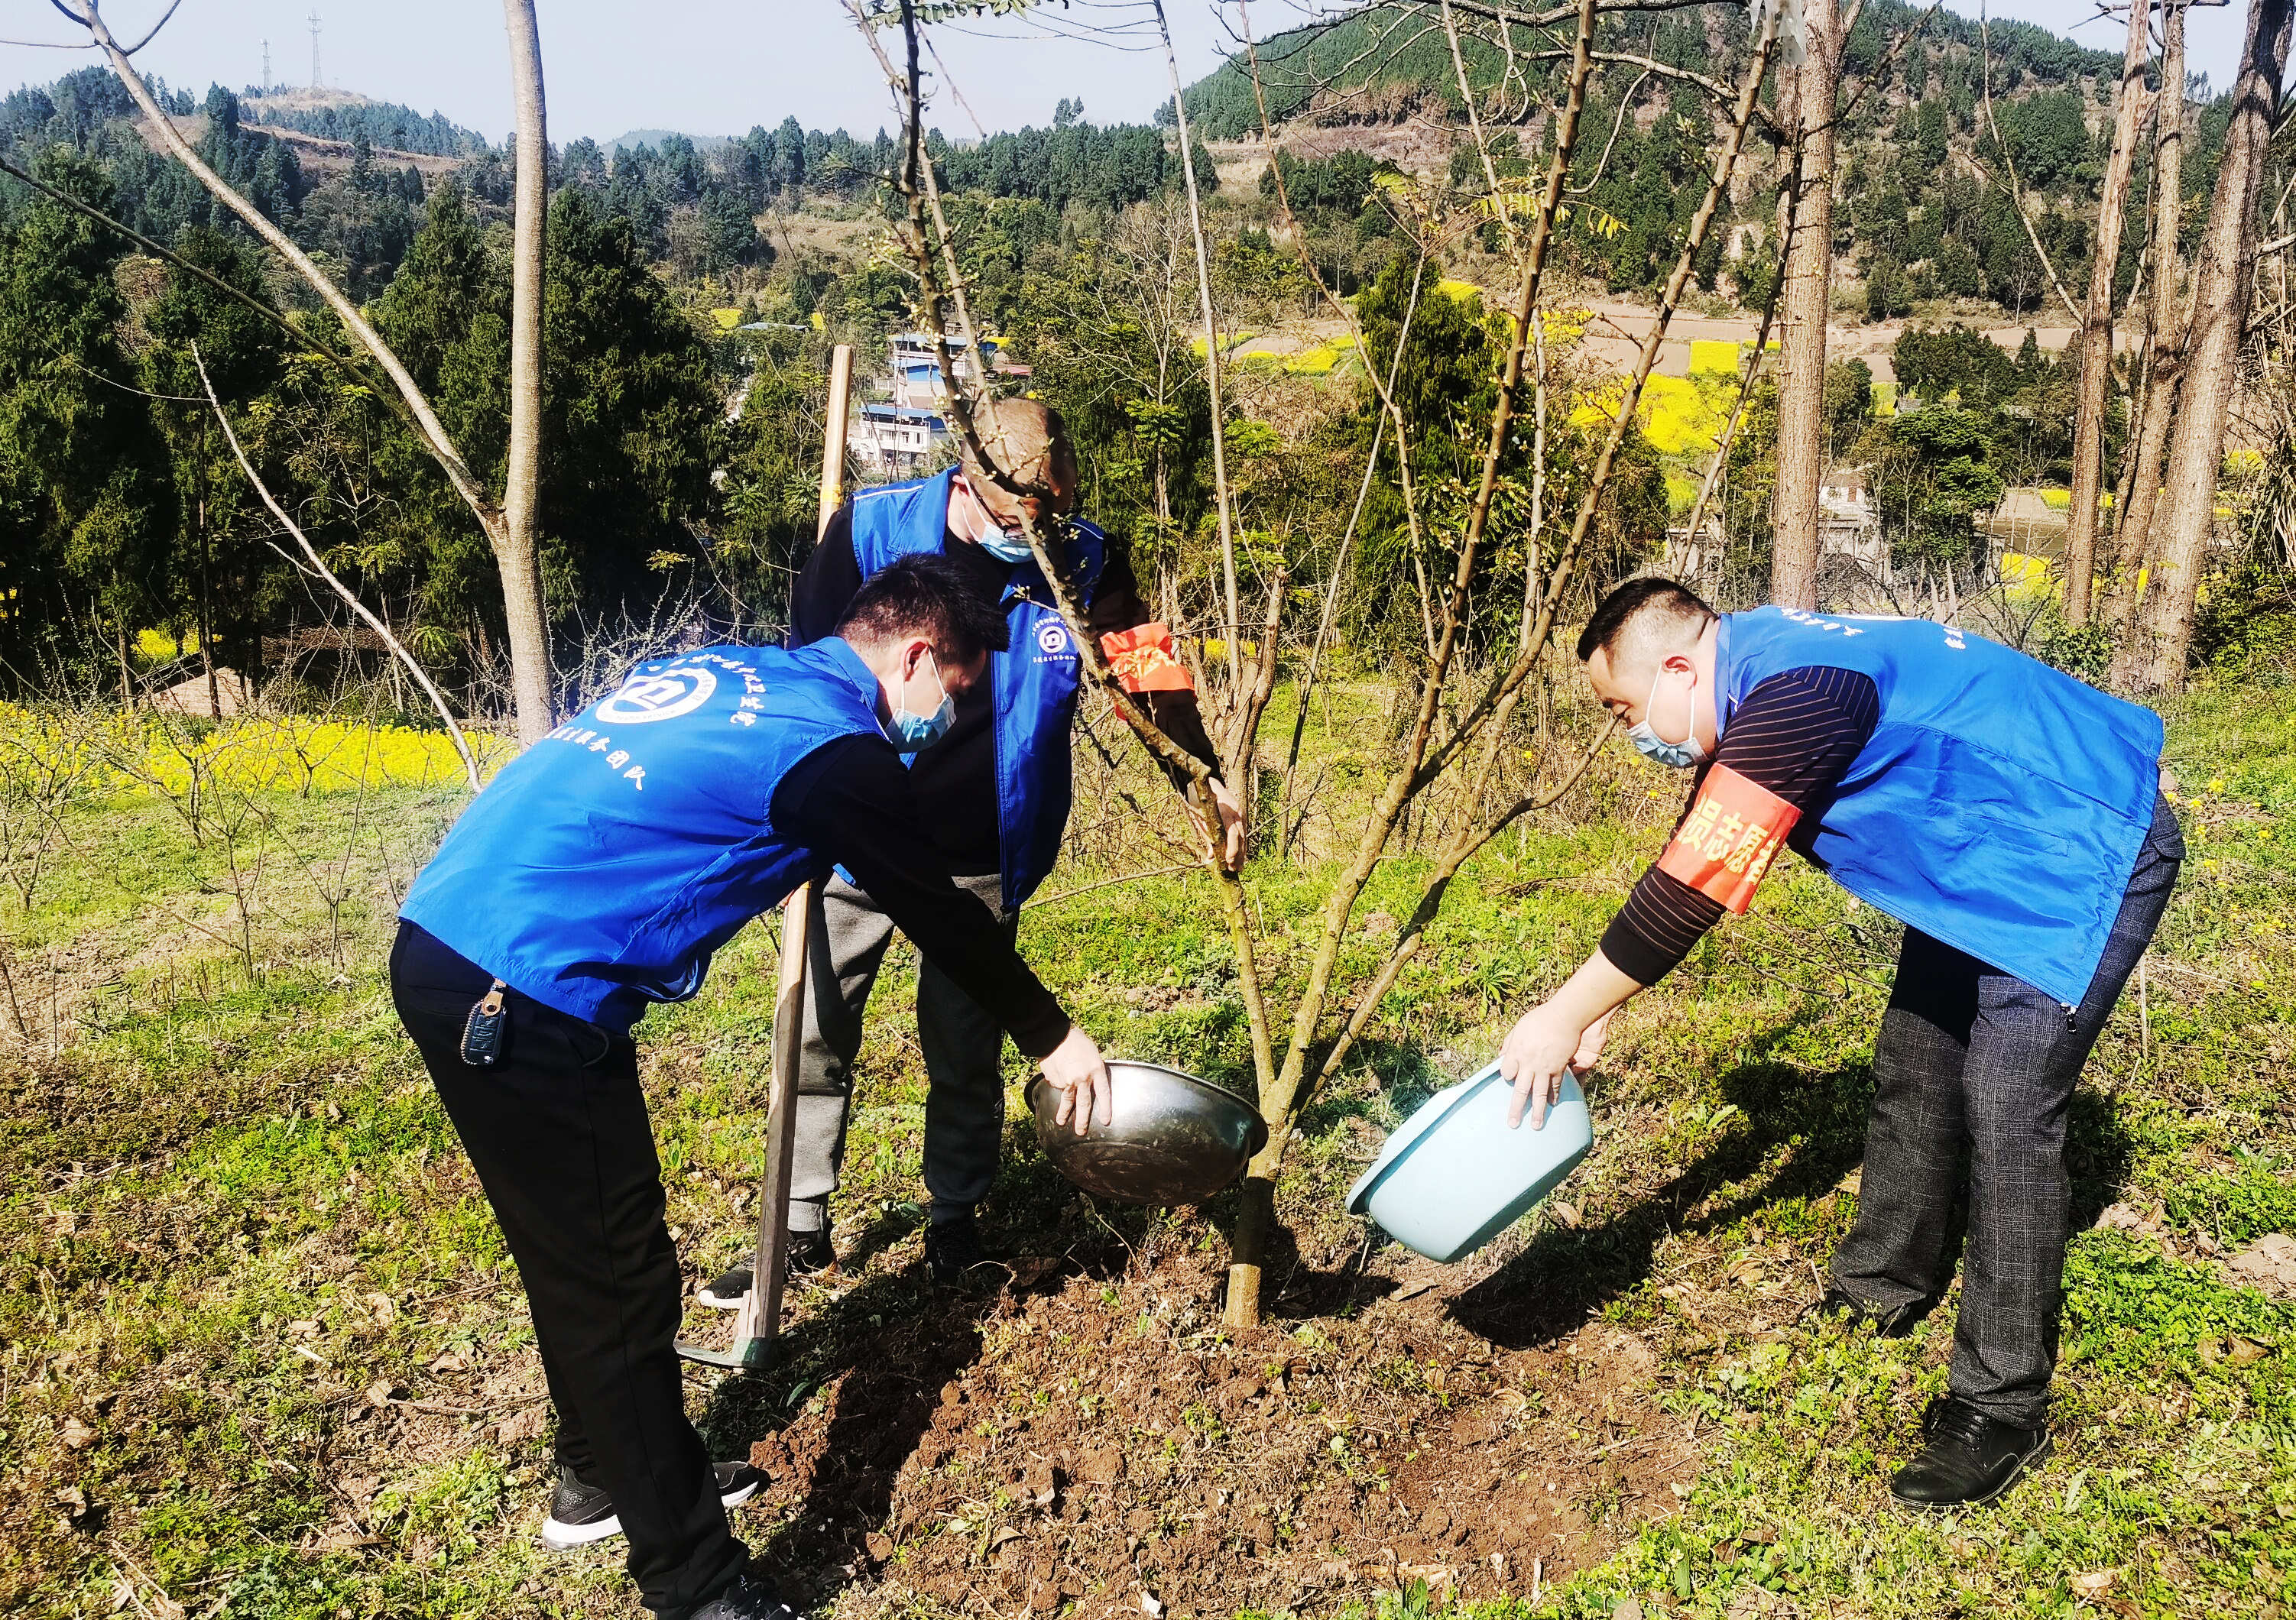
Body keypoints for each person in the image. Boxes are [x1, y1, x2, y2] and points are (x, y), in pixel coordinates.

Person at [390, 555, 1114, 1620]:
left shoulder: (744, 671)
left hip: (458, 936)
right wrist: (1055, 1040)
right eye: (952, 695)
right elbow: (942, 914)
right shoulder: (834, 750)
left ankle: (597, 1479)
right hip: (520, 986)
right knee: (617, 1292)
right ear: (916, 654)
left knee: (584, 1262)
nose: (943, 723)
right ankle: (697, 1585)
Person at [1496, 579, 2181, 1511]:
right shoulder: (1757, 660)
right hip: (1981, 856)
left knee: (2007, 1105)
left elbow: (1702, 877)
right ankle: (1883, 1281)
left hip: (2079, 851)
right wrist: (1608, 994)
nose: (1631, 733)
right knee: (1915, 1063)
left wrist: (1563, 1011)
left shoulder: (1801, 688)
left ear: (1678, 666)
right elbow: (1702, 831)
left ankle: (1999, 1406)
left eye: (1622, 709)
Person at [699, 399, 1240, 1301]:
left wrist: (1202, 771)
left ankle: (956, 1220)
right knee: (815, 1034)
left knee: (965, 1046)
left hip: (983, 847)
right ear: (968, 483)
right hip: (852, 840)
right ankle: (796, 1227)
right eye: (1017, 516)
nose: (1034, 533)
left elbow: (1141, 664)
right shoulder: (870, 530)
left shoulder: (1083, 556)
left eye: (1053, 512)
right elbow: (802, 672)